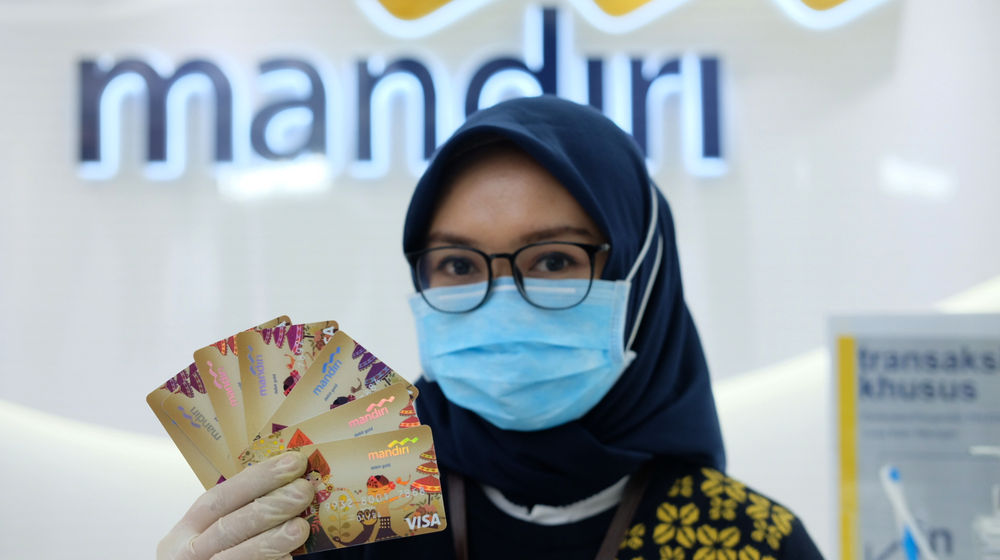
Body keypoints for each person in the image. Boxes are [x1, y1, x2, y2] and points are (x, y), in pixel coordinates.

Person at [158, 96, 825, 559]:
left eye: (556, 259)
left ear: (643, 277)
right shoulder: (337, 505)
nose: (501, 296)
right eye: (456, 264)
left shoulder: (749, 542)